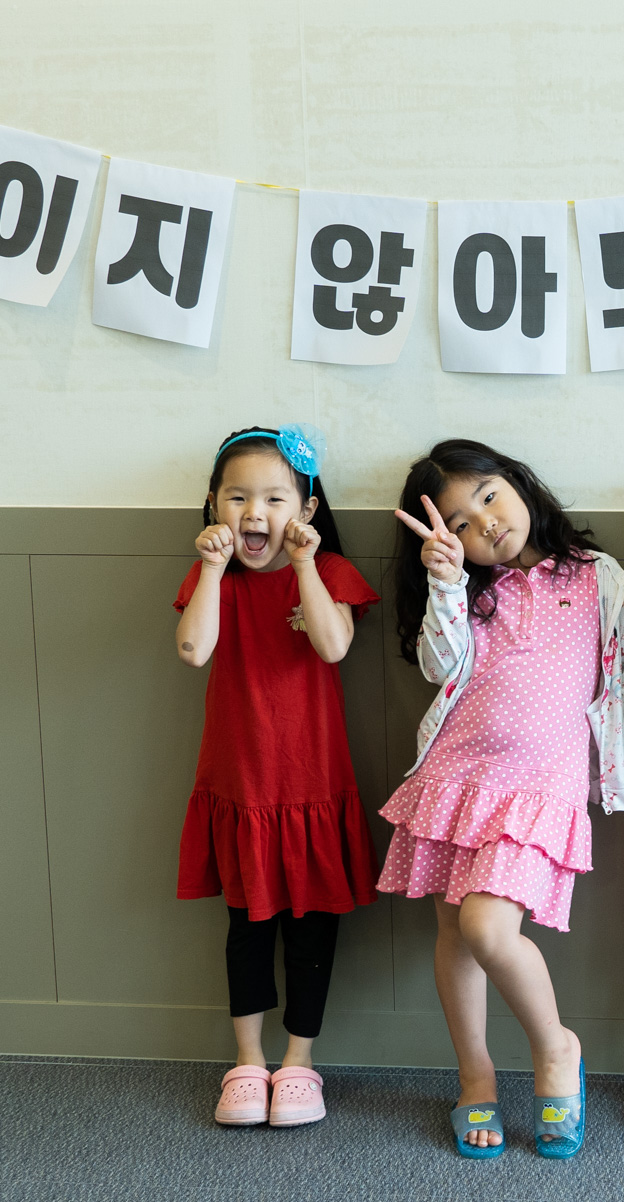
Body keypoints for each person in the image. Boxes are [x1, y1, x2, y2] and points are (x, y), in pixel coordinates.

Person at [380, 439, 624, 1160]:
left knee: (487, 927)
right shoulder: (467, 589)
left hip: (540, 788)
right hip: (456, 774)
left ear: (519, 484)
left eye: (489, 497)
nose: (486, 524)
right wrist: (444, 584)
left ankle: (556, 1047)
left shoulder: (596, 575)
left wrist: (579, 736)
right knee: (453, 930)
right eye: (461, 523)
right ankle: (474, 1077)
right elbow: (439, 668)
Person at [174, 426, 379, 1129]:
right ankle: (246, 1063)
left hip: (312, 786)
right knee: (248, 927)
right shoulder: (213, 580)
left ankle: (299, 1062)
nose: (253, 513)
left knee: (312, 932)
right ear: (213, 506)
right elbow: (193, 650)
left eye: (273, 498)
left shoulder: (329, 573)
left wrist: (306, 565)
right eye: (237, 498)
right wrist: (209, 570)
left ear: (307, 509)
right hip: (243, 788)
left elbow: (333, 645)